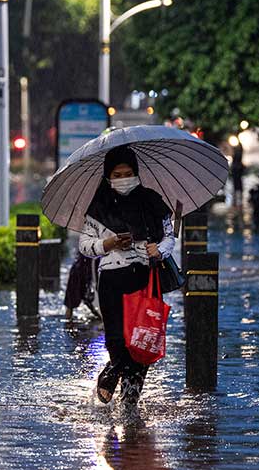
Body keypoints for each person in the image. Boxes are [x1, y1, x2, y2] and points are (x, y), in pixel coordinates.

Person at [79, 145, 175, 406]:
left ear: (137, 172)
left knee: (142, 338)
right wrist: (107, 244)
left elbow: (169, 237)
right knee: (118, 338)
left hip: (145, 277)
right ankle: (113, 370)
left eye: (128, 173)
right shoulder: (99, 207)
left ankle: (130, 395)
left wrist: (159, 250)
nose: (123, 179)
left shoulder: (152, 201)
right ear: (108, 176)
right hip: (111, 280)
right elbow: (84, 245)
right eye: (117, 174)